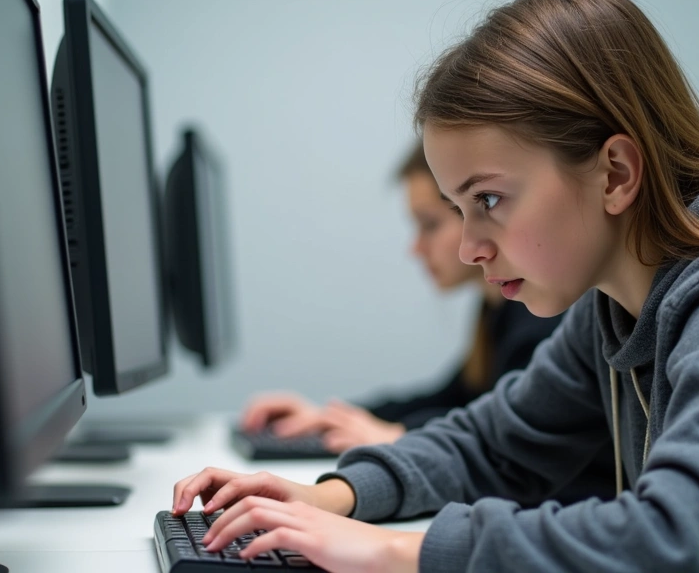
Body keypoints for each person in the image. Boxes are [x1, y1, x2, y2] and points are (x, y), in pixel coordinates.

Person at [172, 0, 699, 571]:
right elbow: (496, 445)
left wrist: (395, 551)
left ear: (615, 173)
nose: (468, 248)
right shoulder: (615, 308)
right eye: (457, 209)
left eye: (488, 201)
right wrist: (332, 496)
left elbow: (681, 538)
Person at [238, 143, 570, 453]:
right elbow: (455, 400)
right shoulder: (498, 308)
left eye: (430, 224)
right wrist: (333, 416)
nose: (415, 249)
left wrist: (402, 434)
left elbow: (516, 437)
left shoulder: (540, 317)